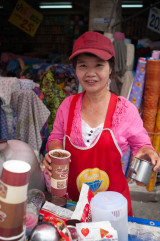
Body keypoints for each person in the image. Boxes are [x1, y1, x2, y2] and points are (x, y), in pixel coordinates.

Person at [43, 31, 160, 217]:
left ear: (110, 68)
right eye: (83, 66)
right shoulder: (67, 105)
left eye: (99, 65)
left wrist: (148, 151)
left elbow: (142, 145)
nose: (91, 74)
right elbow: (55, 137)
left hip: (112, 207)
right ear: (75, 69)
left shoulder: (125, 110)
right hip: (74, 204)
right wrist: (54, 153)